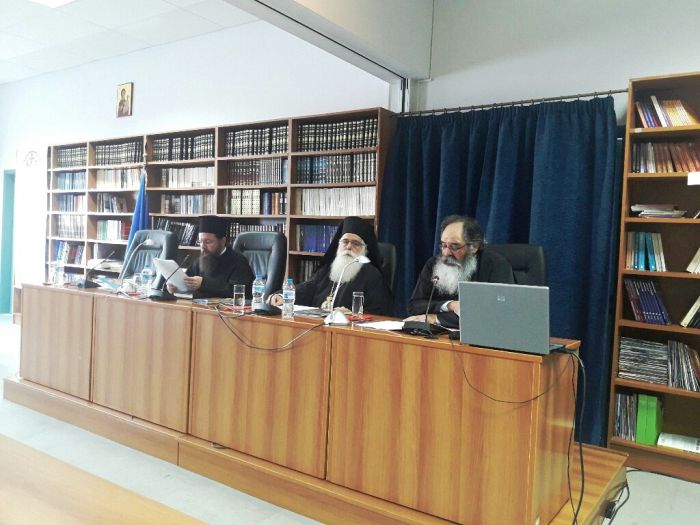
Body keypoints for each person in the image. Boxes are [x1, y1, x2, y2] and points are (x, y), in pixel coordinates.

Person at [405, 215, 514, 328]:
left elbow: (497, 313)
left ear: (474, 246)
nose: (446, 253)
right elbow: (414, 306)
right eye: (443, 245)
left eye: (454, 246)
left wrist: (436, 318)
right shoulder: (433, 264)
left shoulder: (496, 265)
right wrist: (450, 305)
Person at [270, 216, 393, 315]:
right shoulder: (328, 270)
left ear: (365, 249)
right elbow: (306, 290)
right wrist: (282, 296)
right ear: (338, 244)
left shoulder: (372, 275)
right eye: (345, 242)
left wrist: (352, 315)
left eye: (355, 243)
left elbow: (379, 311)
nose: (349, 246)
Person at [168, 215, 254, 298]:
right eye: (200, 242)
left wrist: (203, 283)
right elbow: (186, 281)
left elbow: (239, 291)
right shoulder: (199, 261)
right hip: (198, 305)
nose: (203, 246)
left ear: (223, 241)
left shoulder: (239, 261)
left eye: (208, 242)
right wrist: (176, 287)